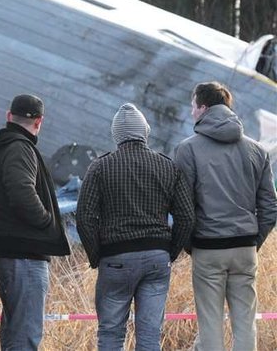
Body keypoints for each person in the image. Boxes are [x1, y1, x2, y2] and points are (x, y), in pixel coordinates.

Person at [76, 103, 196, 350]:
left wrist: (97, 255)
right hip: (156, 259)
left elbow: (85, 217)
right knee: (150, 336)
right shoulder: (167, 166)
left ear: (116, 134)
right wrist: (169, 251)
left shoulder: (100, 167)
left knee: (111, 334)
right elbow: (186, 216)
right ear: (145, 132)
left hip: (115, 259)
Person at [174, 82, 277, 350]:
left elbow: (182, 205)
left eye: (193, 106)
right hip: (245, 248)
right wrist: (254, 240)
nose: (192, 112)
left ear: (204, 107)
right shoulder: (257, 150)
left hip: (208, 247)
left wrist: (190, 244)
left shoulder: (188, 149)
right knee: (245, 324)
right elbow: (270, 206)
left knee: (210, 325)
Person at [0, 94, 70, 350]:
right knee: (26, 332)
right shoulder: (20, 148)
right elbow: (21, 190)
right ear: (39, 122)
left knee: (15, 329)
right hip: (24, 253)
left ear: (9, 116)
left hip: (5, 247)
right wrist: (45, 220)